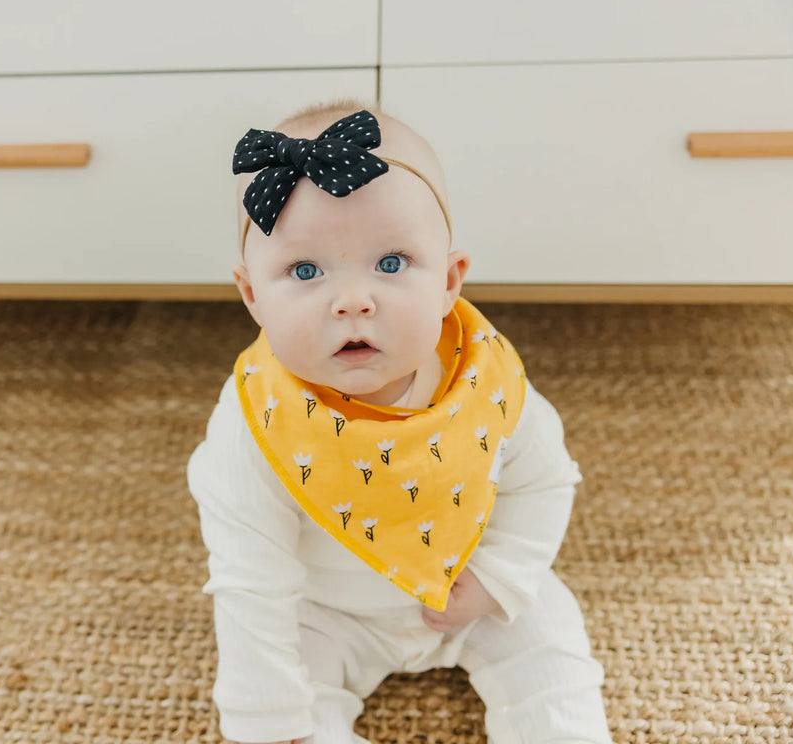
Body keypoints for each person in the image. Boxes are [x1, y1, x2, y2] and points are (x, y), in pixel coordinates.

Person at [186, 101, 612, 744]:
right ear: (252, 296)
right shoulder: (255, 421)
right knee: (288, 678)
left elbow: (543, 482)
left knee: (548, 636)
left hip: (464, 584)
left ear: (448, 281)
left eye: (390, 264)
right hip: (329, 611)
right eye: (305, 271)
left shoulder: (486, 382)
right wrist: (267, 718)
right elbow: (251, 577)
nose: (353, 300)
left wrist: (497, 578)